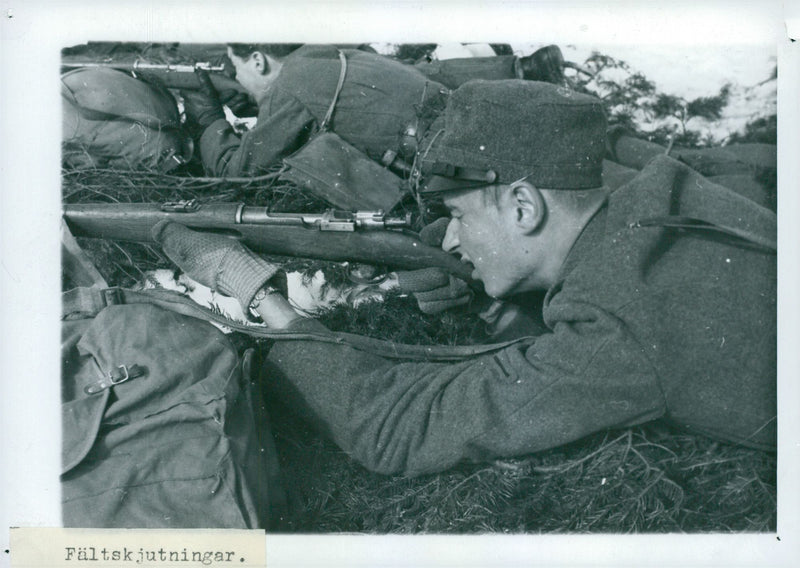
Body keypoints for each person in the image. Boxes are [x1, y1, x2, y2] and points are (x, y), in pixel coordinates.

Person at [153, 80, 777, 476]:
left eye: (456, 216)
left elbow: (394, 428)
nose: (449, 239)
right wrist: (502, 302)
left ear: (525, 207)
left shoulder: (620, 319)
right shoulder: (674, 200)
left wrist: (269, 306)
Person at [183, 43, 450, 177]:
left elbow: (238, 173)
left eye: (235, 67)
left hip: (439, 170)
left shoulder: (288, 91)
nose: (237, 78)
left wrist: (210, 120)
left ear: (257, 61)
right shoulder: (323, 53)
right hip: (448, 136)